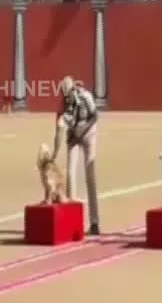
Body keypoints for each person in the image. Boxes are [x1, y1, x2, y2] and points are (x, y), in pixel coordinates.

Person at [53, 76, 101, 236]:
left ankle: (94, 222)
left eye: (68, 94)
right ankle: (72, 220)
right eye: (64, 96)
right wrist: (56, 150)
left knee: (90, 175)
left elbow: (95, 116)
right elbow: (59, 124)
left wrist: (83, 129)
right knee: (70, 174)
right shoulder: (63, 102)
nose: (67, 98)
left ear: (74, 89)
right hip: (73, 134)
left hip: (88, 133)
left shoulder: (85, 96)